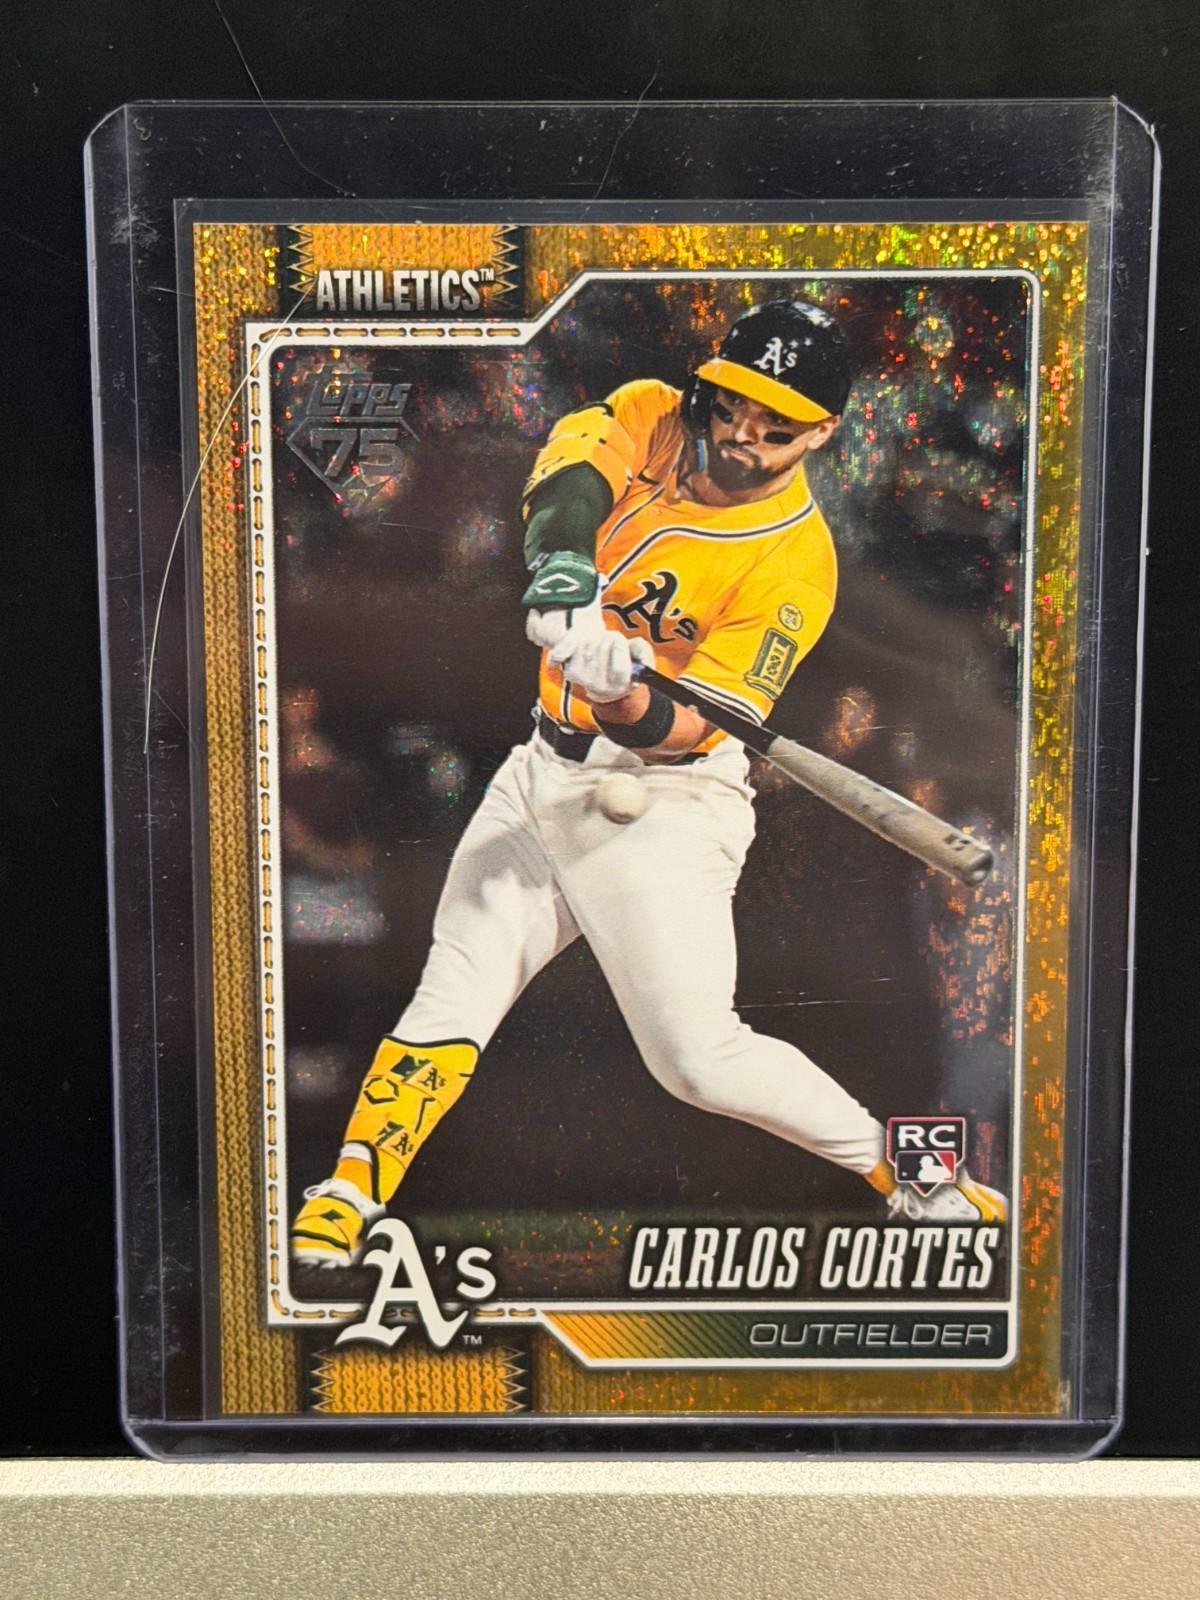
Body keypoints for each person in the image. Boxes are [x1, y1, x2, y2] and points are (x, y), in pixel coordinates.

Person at [291, 298, 1006, 1268]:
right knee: (452, 992)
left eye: (776, 425)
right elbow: (570, 477)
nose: (742, 435)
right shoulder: (655, 415)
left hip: (669, 802)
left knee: (699, 1060)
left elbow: (689, 730)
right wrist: (562, 576)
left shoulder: (795, 563)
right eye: (733, 405)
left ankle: (920, 1181)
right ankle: (350, 1190)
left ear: (823, 432)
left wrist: (619, 691)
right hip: (540, 771)